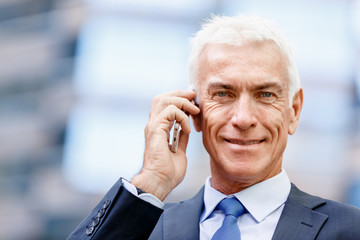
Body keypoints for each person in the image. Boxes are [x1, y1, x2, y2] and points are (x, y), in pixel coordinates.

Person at [67, 15, 360, 240]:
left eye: (265, 95)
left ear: (293, 110)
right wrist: (152, 181)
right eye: (223, 94)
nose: (243, 118)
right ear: (194, 111)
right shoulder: (144, 227)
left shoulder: (351, 230)